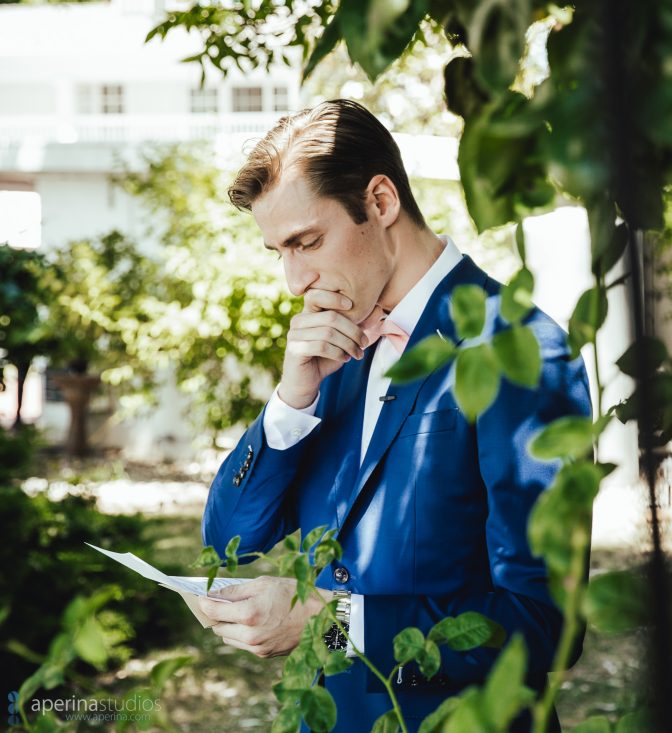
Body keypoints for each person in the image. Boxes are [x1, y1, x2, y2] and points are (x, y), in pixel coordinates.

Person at [196, 98, 592, 732]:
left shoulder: (520, 350)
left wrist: (330, 619)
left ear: (380, 202)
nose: (296, 280)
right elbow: (230, 544)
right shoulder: (336, 345)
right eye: (280, 252)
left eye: (307, 242)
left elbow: (546, 623)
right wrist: (290, 400)